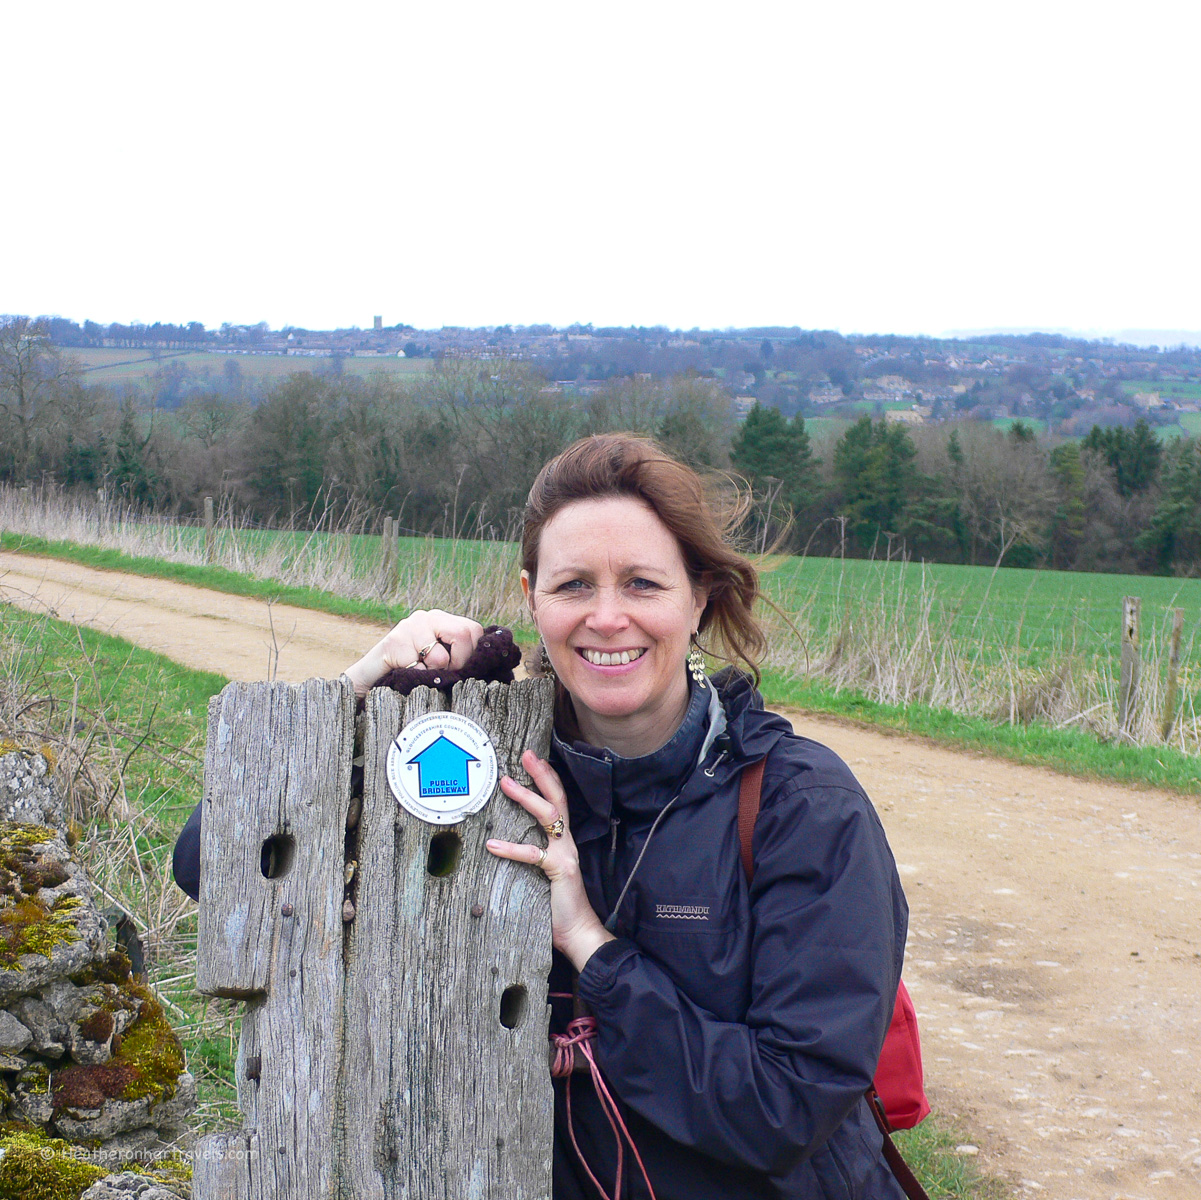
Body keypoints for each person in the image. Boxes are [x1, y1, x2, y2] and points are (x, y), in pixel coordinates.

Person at [177, 433, 909, 1199]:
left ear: (700, 597)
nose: (606, 617)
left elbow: (782, 1110)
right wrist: (365, 698)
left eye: (642, 585)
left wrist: (589, 944)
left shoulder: (801, 808)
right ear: (531, 599)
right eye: (573, 586)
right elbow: (221, 870)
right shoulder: (481, 762)